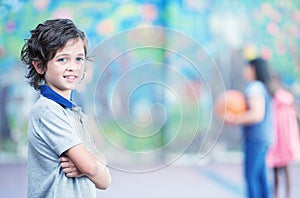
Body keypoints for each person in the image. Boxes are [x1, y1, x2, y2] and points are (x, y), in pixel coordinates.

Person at [20, 18, 111, 197]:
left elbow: (105, 181)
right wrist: (92, 165)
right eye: (62, 59)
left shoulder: (73, 113)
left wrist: (90, 165)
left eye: (79, 59)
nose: (73, 67)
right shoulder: (47, 111)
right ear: (39, 66)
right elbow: (92, 167)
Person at [225, 57, 273, 198]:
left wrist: (234, 119)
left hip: (256, 139)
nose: (244, 70)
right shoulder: (261, 87)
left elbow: (257, 114)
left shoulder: (254, 88)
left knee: (251, 176)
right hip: (263, 138)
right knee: (259, 175)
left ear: (253, 70)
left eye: (247, 67)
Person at [266, 77, 300, 198]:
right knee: (275, 169)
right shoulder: (273, 100)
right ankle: (275, 194)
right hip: (276, 139)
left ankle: (287, 195)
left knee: (285, 169)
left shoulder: (283, 97)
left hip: (284, 139)